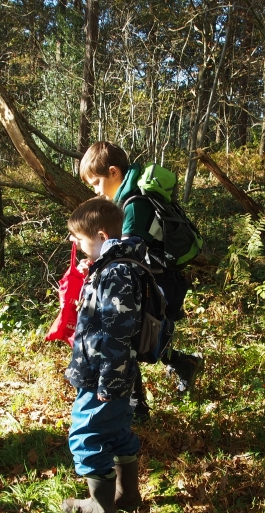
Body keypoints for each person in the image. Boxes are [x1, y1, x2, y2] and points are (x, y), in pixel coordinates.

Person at [79, 141, 203, 421]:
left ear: (113, 172)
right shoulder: (128, 196)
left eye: (97, 182)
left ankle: (137, 408)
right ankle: (185, 363)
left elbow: (125, 254)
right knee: (143, 339)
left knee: (132, 341)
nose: (96, 190)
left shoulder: (132, 205)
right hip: (155, 280)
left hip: (155, 283)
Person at [61, 198, 145, 513]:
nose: (75, 243)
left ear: (100, 234)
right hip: (113, 373)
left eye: (80, 239)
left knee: (86, 434)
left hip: (104, 374)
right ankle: (127, 496)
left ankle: (101, 508)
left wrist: (108, 381)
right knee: (117, 430)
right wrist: (93, 270)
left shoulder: (117, 274)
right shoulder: (113, 267)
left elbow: (117, 334)